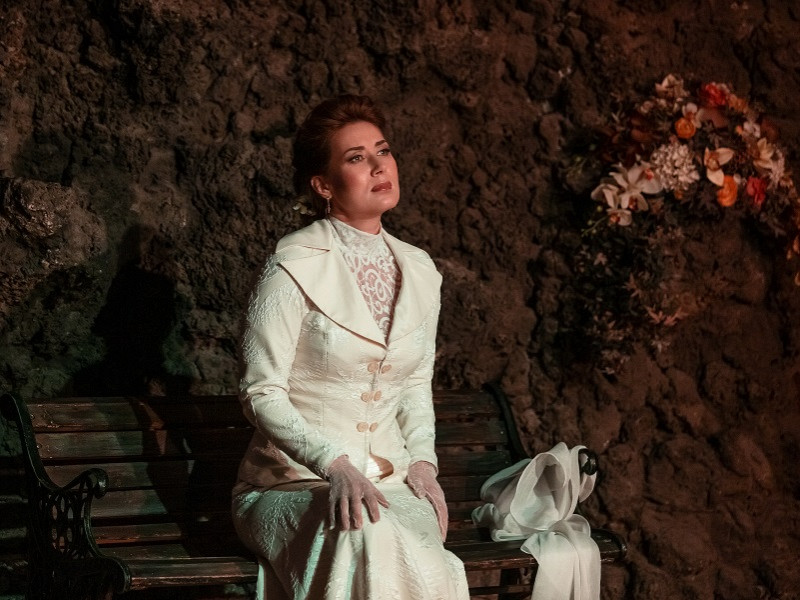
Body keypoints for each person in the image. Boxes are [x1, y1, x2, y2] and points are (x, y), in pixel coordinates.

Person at [231, 95, 470, 600]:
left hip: (392, 484)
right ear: (323, 185)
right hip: (292, 485)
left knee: (409, 546)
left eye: (383, 151)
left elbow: (414, 384)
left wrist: (423, 465)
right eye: (357, 157)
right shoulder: (293, 264)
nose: (379, 166)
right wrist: (335, 466)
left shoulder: (421, 271)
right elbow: (261, 391)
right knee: (363, 530)